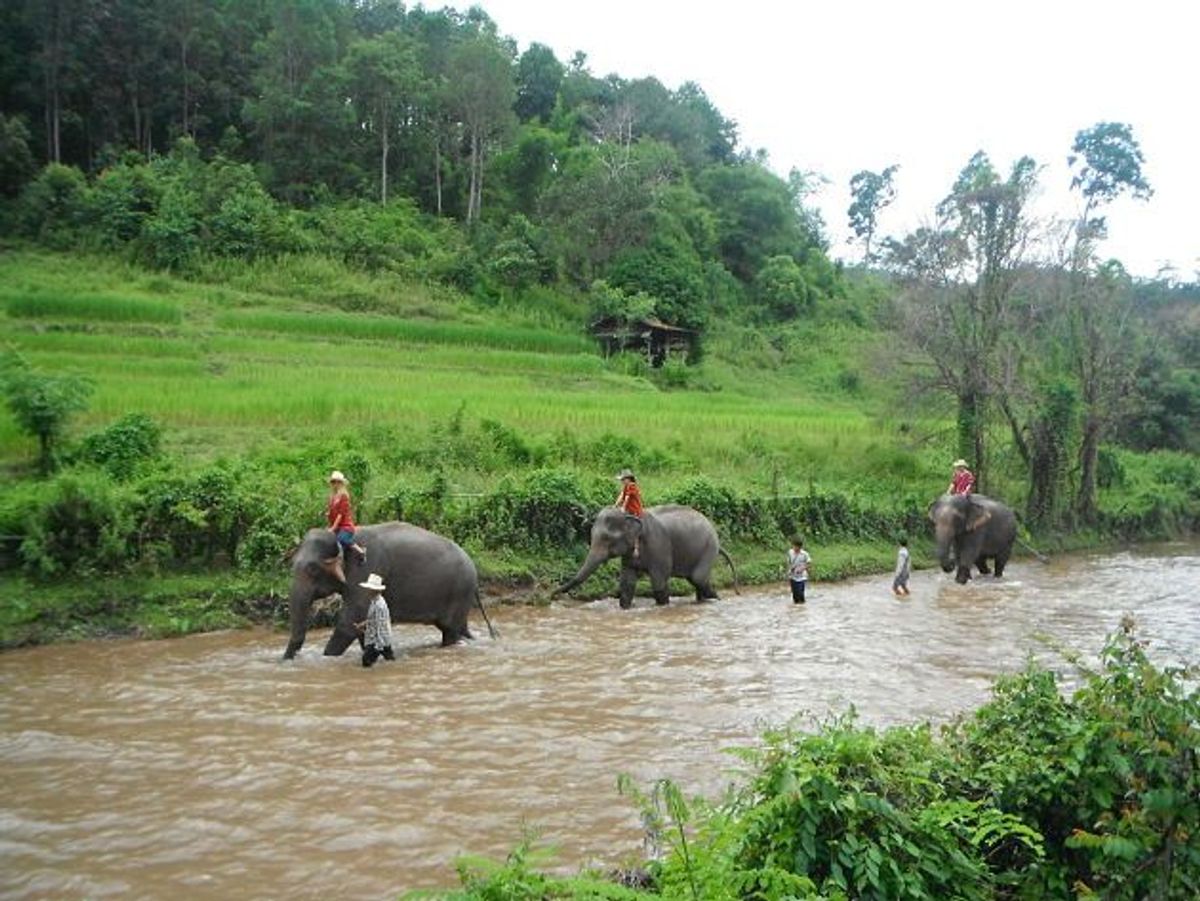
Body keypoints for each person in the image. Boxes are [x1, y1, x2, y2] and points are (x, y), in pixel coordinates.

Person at [355, 572, 395, 667]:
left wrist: (377, 647)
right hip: (384, 639)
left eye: (369, 589)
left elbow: (380, 626)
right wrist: (362, 625)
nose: (367, 591)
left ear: (374, 590)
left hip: (378, 640)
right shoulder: (375, 601)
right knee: (390, 661)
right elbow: (373, 620)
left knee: (366, 661)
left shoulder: (379, 605)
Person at [327, 470, 366, 562]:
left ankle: (361, 551)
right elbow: (332, 512)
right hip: (336, 526)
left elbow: (341, 514)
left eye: (337, 482)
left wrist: (333, 528)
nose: (335, 484)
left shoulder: (344, 496)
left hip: (345, 526)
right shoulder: (332, 497)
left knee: (342, 539)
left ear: (341, 483)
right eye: (333, 482)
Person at [614, 468, 644, 560]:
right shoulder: (626, 487)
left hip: (635, 510)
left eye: (623, 479)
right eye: (622, 480)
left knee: (633, 527)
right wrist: (615, 505)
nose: (622, 481)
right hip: (628, 510)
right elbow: (621, 496)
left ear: (628, 479)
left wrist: (623, 507)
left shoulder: (632, 486)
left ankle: (636, 549)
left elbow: (627, 497)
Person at [787, 536, 811, 604]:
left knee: (800, 594)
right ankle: (797, 609)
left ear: (800, 547)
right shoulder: (790, 552)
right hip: (792, 576)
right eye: (794, 546)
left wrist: (802, 568)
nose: (794, 548)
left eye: (796, 547)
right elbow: (788, 562)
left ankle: (802, 607)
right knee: (795, 595)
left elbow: (809, 564)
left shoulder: (805, 554)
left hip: (802, 577)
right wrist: (790, 569)